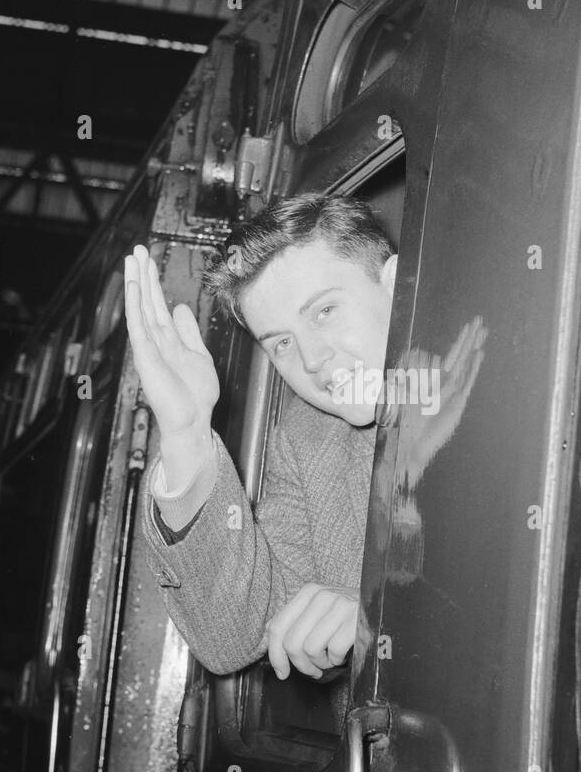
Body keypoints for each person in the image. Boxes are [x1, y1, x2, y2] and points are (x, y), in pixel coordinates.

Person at [124, 192, 397, 681]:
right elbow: (236, 637)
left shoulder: (500, 384)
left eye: (324, 312)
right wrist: (186, 436)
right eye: (282, 343)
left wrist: (383, 614)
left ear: (395, 285)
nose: (312, 359)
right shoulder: (307, 434)